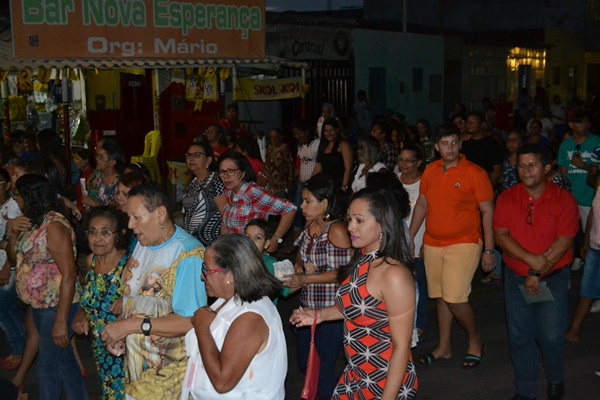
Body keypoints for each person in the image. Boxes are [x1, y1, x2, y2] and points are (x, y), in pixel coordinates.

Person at [290, 186, 418, 399]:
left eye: (359, 220)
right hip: (355, 373)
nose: (350, 227)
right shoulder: (361, 259)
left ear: (383, 224)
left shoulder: (394, 275)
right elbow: (357, 306)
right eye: (349, 219)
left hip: (383, 379)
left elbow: (402, 347)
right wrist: (319, 315)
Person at [100, 182, 207, 399]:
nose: (130, 225)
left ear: (160, 214)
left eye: (136, 217)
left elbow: (191, 321)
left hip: (168, 380)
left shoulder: (187, 254)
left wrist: (129, 326)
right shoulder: (143, 243)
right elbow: (135, 298)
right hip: (138, 376)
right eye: (128, 217)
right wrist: (122, 327)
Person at [494, 144, 578, 400]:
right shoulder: (507, 198)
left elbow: (564, 241)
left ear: (547, 167)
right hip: (515, 279)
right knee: (520, 337)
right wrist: (531, 262)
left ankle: (555, 378)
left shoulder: (564, 199)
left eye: (532, 165)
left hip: (553, 280)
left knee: (551, 336)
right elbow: (501, 236)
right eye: (521, 166)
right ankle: (526, 390)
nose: (525, 170)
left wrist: (536, 273)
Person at [409, 124, 495, 369]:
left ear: (460, 144)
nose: (450, 148)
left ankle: (475, 340)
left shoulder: (475, 173)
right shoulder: (430, 171)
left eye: (454, 143)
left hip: (464, 242)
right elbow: (422, 205)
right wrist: (409, 237)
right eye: (445, 144)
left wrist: (489, 250)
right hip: (433, 242)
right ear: (437, 147)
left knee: (454, 297)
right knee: (440, 296)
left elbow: (488, 212)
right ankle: (444, 347)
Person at [7, 174, 88, 399]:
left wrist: (61, 321)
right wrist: (13, 234)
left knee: (46, 368)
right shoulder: (31, 221)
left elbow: (69, 274)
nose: (15, 200)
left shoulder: (54, 225)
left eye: (17, 195)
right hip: (40, 306)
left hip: (57, 306)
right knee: (65, 363)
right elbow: (14, 259)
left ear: (30, 196)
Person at [181, 234, 287, 399]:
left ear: (230, 275)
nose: (202, 276)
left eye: (207, 270)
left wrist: (202, 328)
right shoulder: (228, 300)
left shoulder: (250, 317)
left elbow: (222, 382)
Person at [283, 173, 353, 399]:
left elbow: (342, 274)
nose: (301, 206)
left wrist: (305, 279)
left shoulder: (337, 231)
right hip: (307, 307)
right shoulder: (309, 225)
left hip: (331, 312)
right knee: (305, 363)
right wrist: (299, 268)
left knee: (321, 369)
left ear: (324, 203)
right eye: (302, 200)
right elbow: (300, 255)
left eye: (307, 201)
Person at [71, 206, 131, 400]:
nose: (98, 239)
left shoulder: (128, 265)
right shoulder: (92, 260)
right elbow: (89, 296)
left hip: (124, 348)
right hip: (100, 346)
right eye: (92, 232)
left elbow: (146, 303)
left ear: (119, 234)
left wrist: (128, 301)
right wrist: (81, 314)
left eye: (105, 233)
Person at [218, 152, 296, 253]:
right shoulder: (228, 193)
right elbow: (226, 226)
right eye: (222, 171)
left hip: (251, 254)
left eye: (231, 171)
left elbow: (290, 209)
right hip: (233, 253)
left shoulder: (253, 192)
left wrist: (276, 239)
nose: (226, 176)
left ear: (243, 173)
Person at [396, 145, 428, 336]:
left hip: (419, 239)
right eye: (401, 160)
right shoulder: (394, 181)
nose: (404, 164)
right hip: (397, 241)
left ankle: (419, 323)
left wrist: (426, 243)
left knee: (419, 282)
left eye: (409, 161)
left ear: (419, 163)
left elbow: (432, 213)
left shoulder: (425, 182)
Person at [565, 178, 600, 342]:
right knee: (586, 290)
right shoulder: (599, 182)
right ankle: (574, 331)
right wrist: (586, 241)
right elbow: (593, 212)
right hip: (595, 245)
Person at [0, 168, 25, 371]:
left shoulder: (14, 206)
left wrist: (6, 268)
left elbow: (16, 242)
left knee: (2, 309)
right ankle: (22, 347)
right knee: (8, 310)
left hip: (9, 264)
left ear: (7, 185)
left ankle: (19, 349)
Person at [182, 142, 225, 246]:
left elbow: (225, 215)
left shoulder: (216, 180)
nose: (191, 159)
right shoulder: (192, 183)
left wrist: (222, 245)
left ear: (208, 160)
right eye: (188, 155)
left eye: (196, 155)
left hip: (211, 243)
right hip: (192, 243)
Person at [244, 219, 290, 305]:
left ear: (266, 243)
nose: (251, 241)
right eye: (247, 237)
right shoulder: (236, 261)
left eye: (258, 238)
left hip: (263, 310)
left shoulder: (272, 264)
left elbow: (286, 289)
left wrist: (304, 280)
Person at [461, 111, 504, 188]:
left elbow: (497, 171)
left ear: (482, 124)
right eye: (467, 122)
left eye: (473, 122)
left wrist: (486, 188)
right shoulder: (464, 144)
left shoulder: (492, 143)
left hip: (486, 184)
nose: (469, 124)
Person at [292, 120, 320, 238]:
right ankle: (297, 240)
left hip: (314, 184)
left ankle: (314, 235)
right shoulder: (300, 145)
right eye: (295, 134)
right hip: (303, 183)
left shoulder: (317, 143)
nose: (297, 136)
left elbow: (319, 165)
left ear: (307, 131)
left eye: (299, 133)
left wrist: (312, 181)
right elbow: (302, 164)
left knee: (314, 211)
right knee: (297, 210)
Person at [312, 118, 354, 194]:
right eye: (326, 131)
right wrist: (311, 182)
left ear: (337, 130)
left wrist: (344, 187)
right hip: (326, 186)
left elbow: (348, 169)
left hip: (339, 185)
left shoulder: (344, 145)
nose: (328, 133)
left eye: (331, 130)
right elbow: (318, 167)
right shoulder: (323, 146)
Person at [84, 140, 124, 207]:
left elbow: (115, 209)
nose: (97, 159)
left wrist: (94, 205)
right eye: (97, 156)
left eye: (101, 157)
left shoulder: (119, 183)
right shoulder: (98, 177)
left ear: (112, 162)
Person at [265, 128, 295, 198]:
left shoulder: (284, 149)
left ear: (280, 138)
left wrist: (290, 179)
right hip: (271, 180)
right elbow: (267, 163)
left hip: (281, 180)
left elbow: (290, 164)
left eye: (276, 137)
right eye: (272, 137)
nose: (274, 139)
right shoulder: (270, 148)